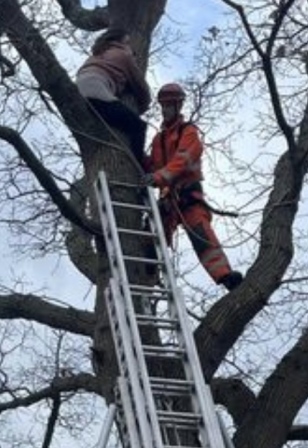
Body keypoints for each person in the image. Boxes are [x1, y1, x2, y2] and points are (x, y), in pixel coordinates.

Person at [143, 82, 243, 291]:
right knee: (151, 233)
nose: (165, 110)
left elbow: (184, 158)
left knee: (202, 236)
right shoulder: (159, 139)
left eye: (169, 105)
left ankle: (225, 275)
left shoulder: (188, 132)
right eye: (163, 105)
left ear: (178, 106)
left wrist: (159, 176)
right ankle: (147, 272)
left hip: (188, 196)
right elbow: (153, 164)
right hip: (169, 200)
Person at [75, 28, 151, 167]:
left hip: (80, 91)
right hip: (96, 92)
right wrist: (144, 105)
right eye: (127, 42)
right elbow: (140, 86)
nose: (129, 45)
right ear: (119, 41)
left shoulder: (97, 54)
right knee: (138, 127)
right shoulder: (123, 55)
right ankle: (139, 167)